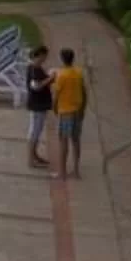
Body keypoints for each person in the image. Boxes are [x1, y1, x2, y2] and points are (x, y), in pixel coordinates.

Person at [49, 47, 89, 180]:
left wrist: (54, 109)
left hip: (65, 111)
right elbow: (84, 92)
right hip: (77, 110)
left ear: (62, 59)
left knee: (63, 141)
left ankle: (62, 173)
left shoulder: (61, 76)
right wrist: (83, 109)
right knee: (76, 140)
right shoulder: (78, 73)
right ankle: (76, 170)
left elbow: (56, 95)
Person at [21, 52, 54, 170]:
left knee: (37, 131)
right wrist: (50, 78)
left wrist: (49, 78)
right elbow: (36, 86)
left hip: (40, 105)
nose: (44, 59)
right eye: (43, 57)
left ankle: (34, 155)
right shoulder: (33, 69)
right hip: (37, 105)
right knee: (34, 132)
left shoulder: (37, 68)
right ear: (38, 56)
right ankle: (31, 159)